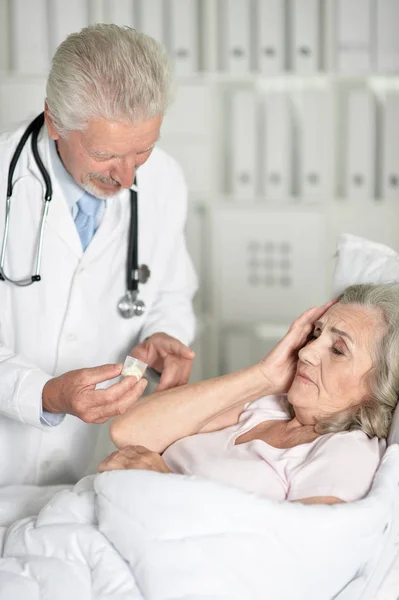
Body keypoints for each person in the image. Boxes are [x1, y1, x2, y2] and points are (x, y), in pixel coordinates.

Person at [0, 24, 197, 486]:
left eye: (143, 150)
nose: (127, 177)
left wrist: (166, 333)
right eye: (106, 154)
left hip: (93, 466)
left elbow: (171, 288)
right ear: (54, 121)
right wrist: (44, 394)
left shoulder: (165, 180)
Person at [100, 283, 399, 505]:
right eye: (316, 334)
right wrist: (263, 376)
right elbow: (127, 430)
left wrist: (165, 485)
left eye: (337, 350)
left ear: (381, 384)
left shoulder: (347, 453)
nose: (306, 351)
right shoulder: (268, 406)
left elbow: (291, 555)